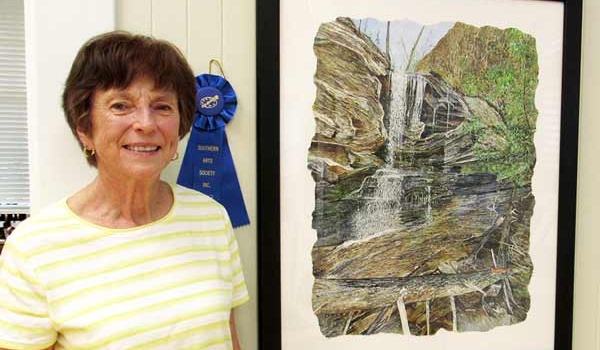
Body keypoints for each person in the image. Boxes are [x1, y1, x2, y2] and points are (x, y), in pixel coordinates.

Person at [0, 31, 249, 350]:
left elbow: (227, 339)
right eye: (121, 106)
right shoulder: (34, 248)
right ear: (84, 129)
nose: (146, 123)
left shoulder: (210, 218)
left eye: (162, 107)